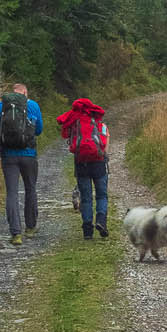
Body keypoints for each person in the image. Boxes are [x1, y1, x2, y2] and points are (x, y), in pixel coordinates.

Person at [0, 82, 44, 245]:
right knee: (30, 188)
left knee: (12, 192)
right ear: (25, 92)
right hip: (29, 154)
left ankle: (16, 233)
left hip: (8, 156)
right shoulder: (33, 105)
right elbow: (39, 130)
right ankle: (31, 227)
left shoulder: (0, 107)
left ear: (13, 93)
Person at [57, 96, 109, 239]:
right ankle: (101, 220)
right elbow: (105, 142)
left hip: (81, 163)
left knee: (85, 197)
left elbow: (65, 135)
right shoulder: (99, 123)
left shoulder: (74, 122)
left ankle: (87, 230)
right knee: (102, 195)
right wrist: (103, 155)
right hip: (98, 162)